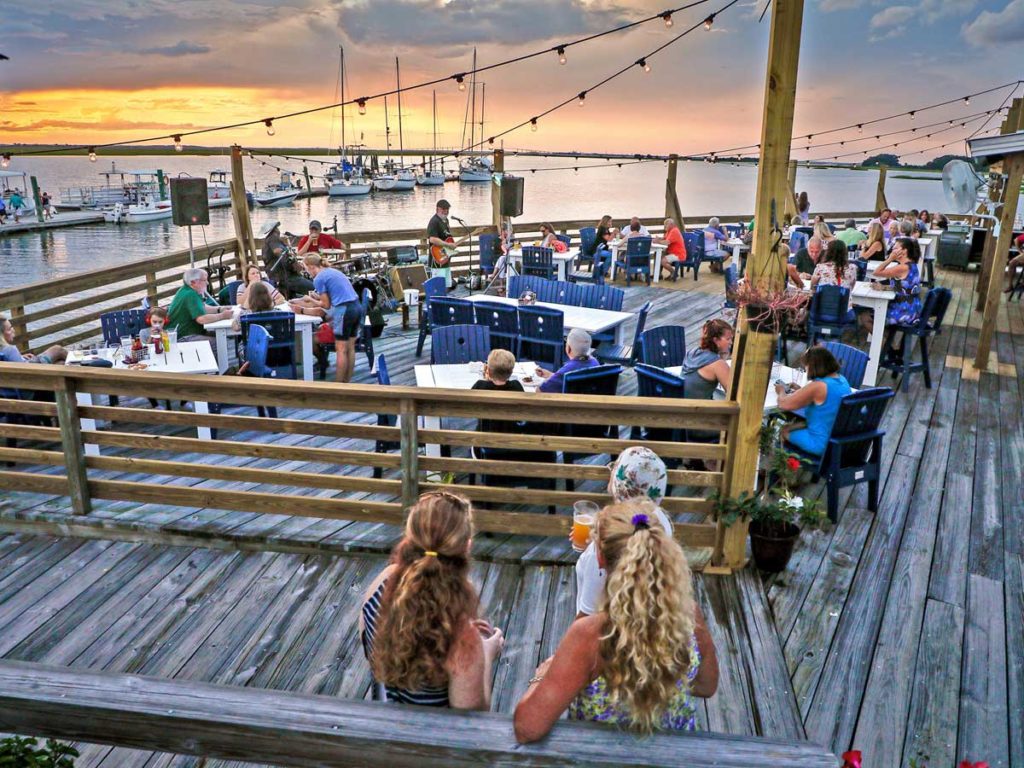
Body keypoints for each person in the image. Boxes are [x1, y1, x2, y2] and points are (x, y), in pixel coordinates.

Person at [514, 499, 719, 741]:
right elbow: (707, 686)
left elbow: (528, 727)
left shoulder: (590, 635)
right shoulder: (688, 614)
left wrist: (542, 674)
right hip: (677, 755)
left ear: (600, 558)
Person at [360, 492, 505, 710]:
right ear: (466, 546)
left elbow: (371, 649)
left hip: (381, 723)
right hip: (429, 741)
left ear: (410, 538)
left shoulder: (379, 586)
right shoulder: (461, 634)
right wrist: (484, 654)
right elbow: (472, 715)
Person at [575, 447, 675, 618]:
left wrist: (594, 545)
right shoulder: (661, 522)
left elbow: (586, 618)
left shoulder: (600, 550)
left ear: (619, 484)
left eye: (614, 468)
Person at [775, 346, 852, 458]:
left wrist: (781, 390)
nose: (806, 370)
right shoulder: (842, 380)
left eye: (806, 366)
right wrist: (801, 390)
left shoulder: (818, 386)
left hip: (820, 443)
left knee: (784, 430)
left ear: (813, 366)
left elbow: (783, 404)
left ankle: (782, 469)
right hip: (836, 439)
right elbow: (824, 398)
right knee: (791, 426)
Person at [303, 253, 363, 383]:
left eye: (307, 269)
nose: (308, 272)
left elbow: (326, 304)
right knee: (350, 347)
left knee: (340, 349)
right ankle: (347, 383)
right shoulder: (332, 271)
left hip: (343, 310)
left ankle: (338, 386)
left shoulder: (318, 278)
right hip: (356, 307)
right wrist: (318, 297)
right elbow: (335, 295)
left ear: (312, 267)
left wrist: (311, 300)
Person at [862, 237, 922, 338]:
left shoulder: (902, 267)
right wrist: (885, 287)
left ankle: (886, 343)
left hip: (903, 311)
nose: (892, 250)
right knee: (872, 313)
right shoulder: (912, 265)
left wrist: (890, 259)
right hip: (912, 308)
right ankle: (887, 341)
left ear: (904, 251)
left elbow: (876, 272)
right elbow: (904, 288)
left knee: (864, 317)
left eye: (895, 248)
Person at [166, 268, 232, 342]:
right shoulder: (190, 294)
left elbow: (202, 307)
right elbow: (202, 319)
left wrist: (220, 309)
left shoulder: (188, 290)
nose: (207, 283)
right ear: (193, 282)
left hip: (188, 333)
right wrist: (222, 316)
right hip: (183, 336)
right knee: (224, 342)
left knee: (227, 336)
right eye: (204, 280)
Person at [679, 319, 733, 402]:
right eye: (728, 339)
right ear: (716, 340)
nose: (731, 342)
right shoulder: (718, 364)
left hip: (682, 405)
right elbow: (734, 395)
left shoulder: (691, 353)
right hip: (699, 411)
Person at [536, 328, 599, 393]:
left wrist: (545, 381)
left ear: (568, 348)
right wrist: (550, 375)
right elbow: (566, 379)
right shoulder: (595, 362)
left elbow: (539, 391)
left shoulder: (566, 371)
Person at [261, 220, 314, 298]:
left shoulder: (267, 242)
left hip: (279, 277)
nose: (279, 231)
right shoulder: (273, 239)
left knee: (297, 297)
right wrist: (290, 257)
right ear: (275, 230)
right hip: (287, 278)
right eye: (277, 228)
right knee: (315, 288)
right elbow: (277, 251)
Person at [0, 315, 67, 365]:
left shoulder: (5, 352)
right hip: (32, 373)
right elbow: (24, 372)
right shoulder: (10, 350)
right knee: (57, 349)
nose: (13, 330)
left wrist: (19, 357)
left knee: (61, 363)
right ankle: (77, 367)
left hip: (12, 380)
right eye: (9, 329)